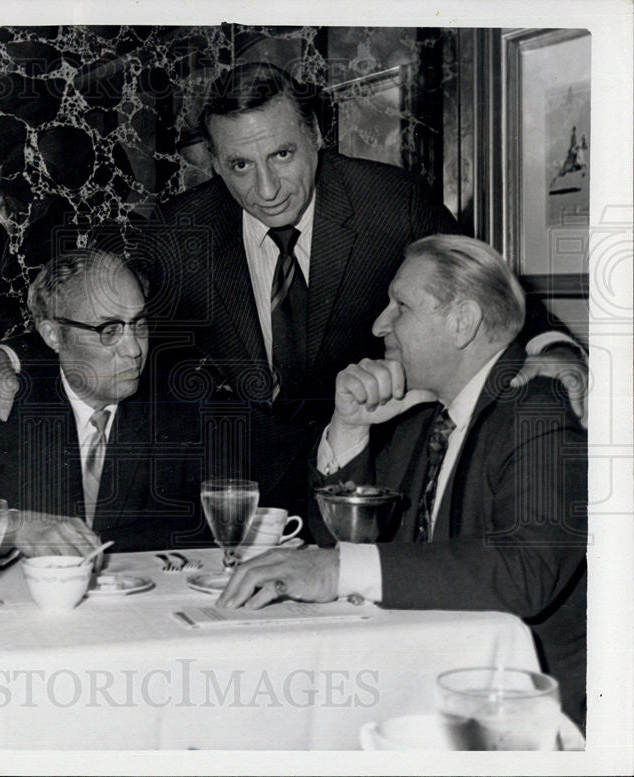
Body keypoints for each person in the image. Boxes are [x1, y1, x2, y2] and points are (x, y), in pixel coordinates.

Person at [0, 62, 587, 527]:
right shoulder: (183, 227)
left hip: (367, 468)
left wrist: (553, 345)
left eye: (282, 155)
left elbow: (482, 285)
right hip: (242, 491)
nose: (267, 188)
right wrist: (7, 355)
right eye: (240, 166)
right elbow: (91, 303)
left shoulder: (391, 203)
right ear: (215, 163)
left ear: (315, 136)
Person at [217, 235, 587, 726]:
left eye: (401, 306)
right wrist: (350, 427)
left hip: (532, 710)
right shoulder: (424, 418)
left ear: (462, 322)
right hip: (435, 677)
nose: (379, 323)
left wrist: (335, 571)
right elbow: (349, 543)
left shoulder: (538, 409)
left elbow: (525, 571)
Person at [0, 249, 212, 563]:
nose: (134, 349)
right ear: (53, 335)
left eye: (139, 324)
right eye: (109, 331)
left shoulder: (182, 409)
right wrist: (12, 528)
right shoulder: (1, 410)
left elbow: (219, 526)